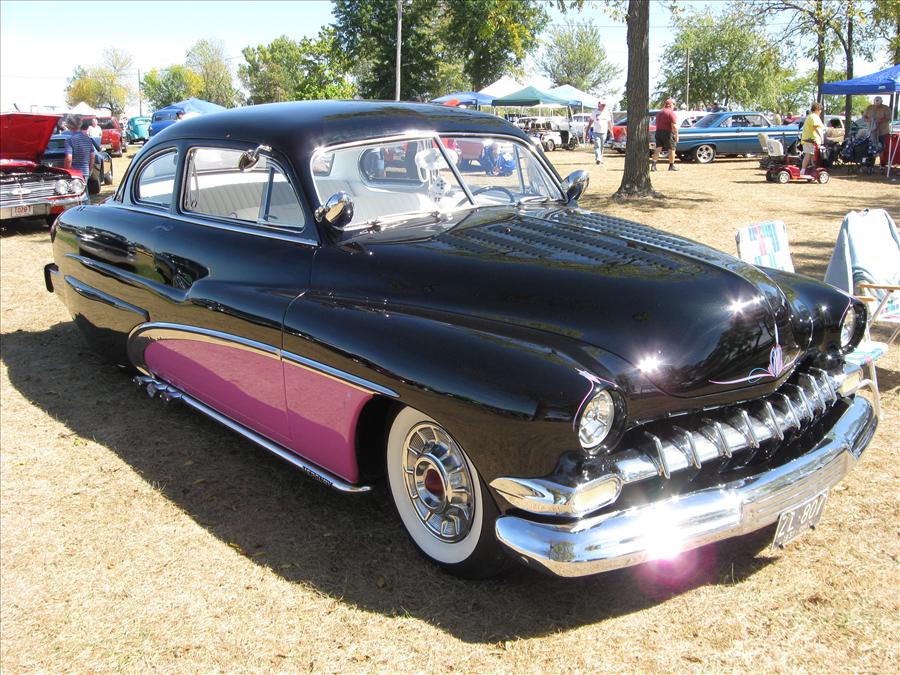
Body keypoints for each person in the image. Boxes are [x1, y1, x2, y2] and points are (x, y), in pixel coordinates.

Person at [62, 115, 95, 183]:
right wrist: (89, 170)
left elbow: (68, 159)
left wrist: (67, 171)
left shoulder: (69, 140)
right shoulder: (88, 139)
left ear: (69, 125)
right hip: (85, 172)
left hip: (74, 174)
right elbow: (92, 157)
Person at [652, 97, 679, 171]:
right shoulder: (671, 113)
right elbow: (673, 126)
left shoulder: (659, 113)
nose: (674, 106)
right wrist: (676, 135)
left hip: (658, 132)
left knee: (658, 149)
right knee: (671, 149)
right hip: (668, 133)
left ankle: (653, 165)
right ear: (671, 105)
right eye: (673, 104)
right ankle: (671, 166)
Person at [800, 102, 825, 176]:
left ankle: (812, 170)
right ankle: (803, 170)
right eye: (820, 110)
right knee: (808, 155)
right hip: (811, 140)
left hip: (808, 139)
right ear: (817, 109)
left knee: (812, 156)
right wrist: (821, 137)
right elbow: (816, 127)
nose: (821, 112)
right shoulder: (814, 116)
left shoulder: (810, 116)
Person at [588, 99, 611, 165]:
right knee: (597, 145)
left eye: (604, 105)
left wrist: (611, 130)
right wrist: (588, 129)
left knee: (601, 146)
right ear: (599, 105)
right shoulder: (595, 112)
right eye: (602, 105)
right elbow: (591, 121)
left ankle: (600, 158)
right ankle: (598, 158)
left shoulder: (607, 112)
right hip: (596, 132)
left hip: (604, 132)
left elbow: (609, 122)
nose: (603, 106)